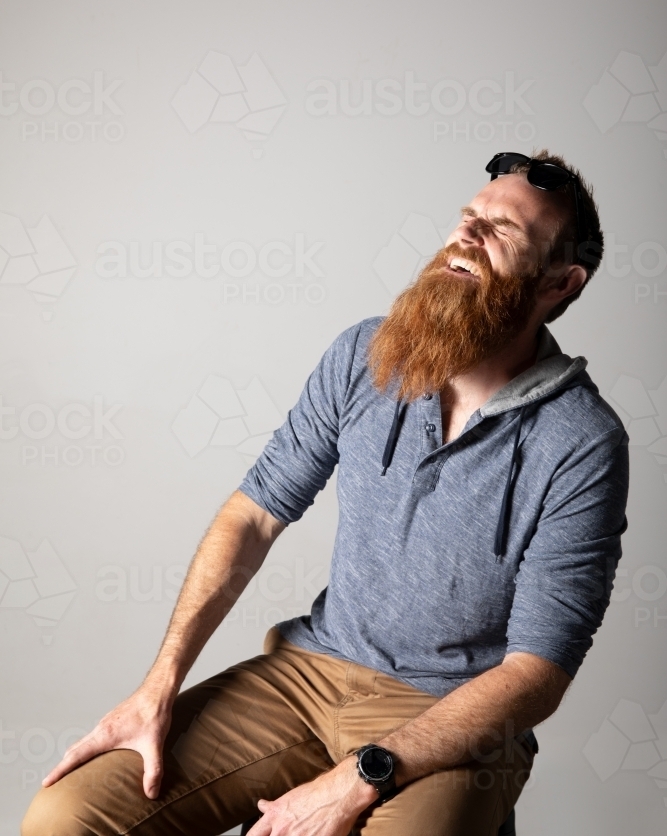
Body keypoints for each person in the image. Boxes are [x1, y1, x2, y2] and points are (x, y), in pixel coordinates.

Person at [22, 150, 629, 836]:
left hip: (453, 716)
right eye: (468, 219)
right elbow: (253, 516)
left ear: (559, 281)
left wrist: (361, 776)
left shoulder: (580, 440)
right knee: (66, 816)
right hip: (308, 673)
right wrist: (156, 686)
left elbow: (536, 673)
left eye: (502, 232)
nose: (467, 236)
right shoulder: (366, 354)